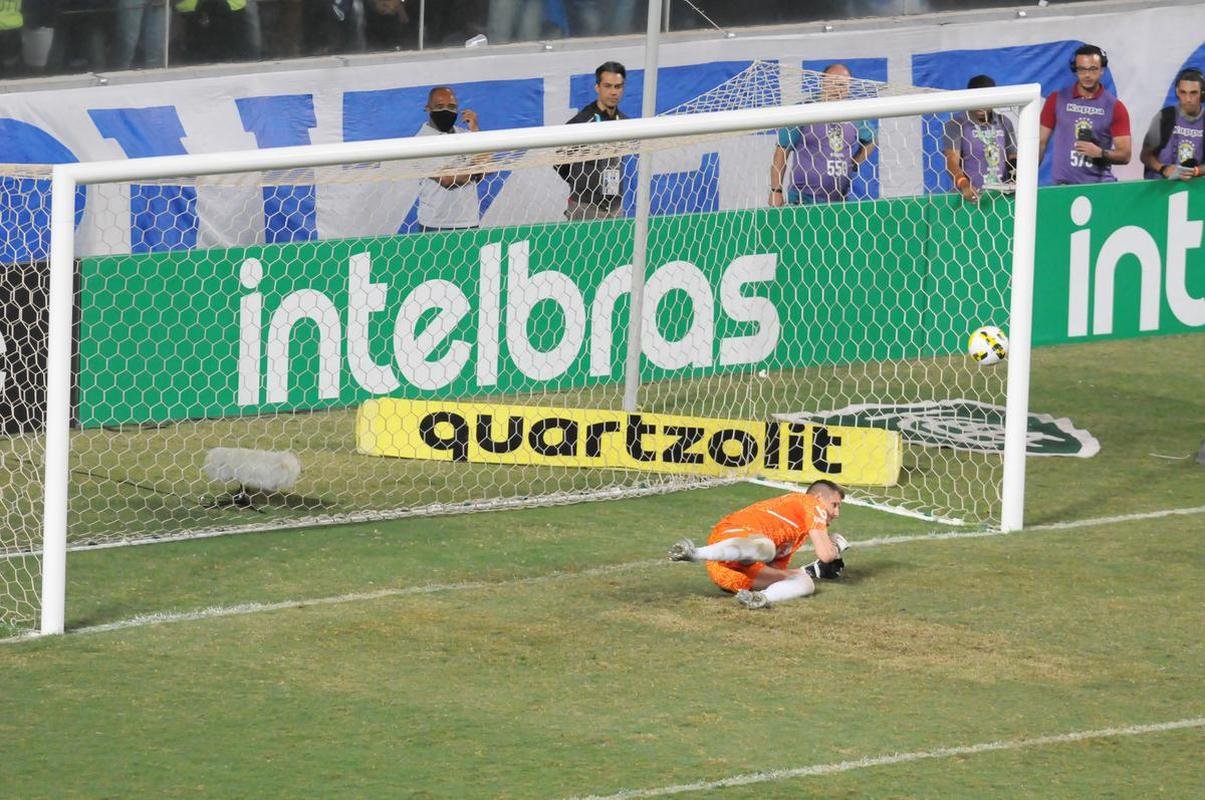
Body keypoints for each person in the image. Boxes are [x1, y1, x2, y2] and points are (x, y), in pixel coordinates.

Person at [667, 479, 850, 609]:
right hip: (730, 538)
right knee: (766, 547)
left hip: (731, 576)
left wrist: (807, 570)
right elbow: (826, 554)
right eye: (834, 504)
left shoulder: (796, 533)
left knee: (805, 582)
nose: (837, 513)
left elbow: (775, 568)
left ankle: (760, 598)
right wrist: (835, 546)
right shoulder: (811, 503)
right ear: (818, 498)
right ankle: (695, 553)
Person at [769, 63, 876, 206]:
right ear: (822, 82)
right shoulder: (803, 112)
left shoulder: (854, 115)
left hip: (839, 201)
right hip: (803, 201)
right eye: (832, 83)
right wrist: (776, 191)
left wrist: (855, 162)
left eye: (843, 85)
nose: (837, 89)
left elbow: (871, 140)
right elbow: (781, 151)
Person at [1038, 44, 1131, 184]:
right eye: (1082, 69)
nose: (1087, 75)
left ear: (1102, 70)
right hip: (1063, 188)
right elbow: (1040, 143)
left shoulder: (1115, 107)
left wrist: (1100, 153)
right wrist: (1023, 178)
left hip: (1099, 188)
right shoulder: (1056, 100)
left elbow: (1125, 155)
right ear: (1075, 71)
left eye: (1093, 69)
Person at [555, 60, 628, 221]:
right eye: (608, 86)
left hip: (615, 206)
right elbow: (558, 159)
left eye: (618, 87)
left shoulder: (624, 121)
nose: (613, 92)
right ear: (597, 87)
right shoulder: (583, 121)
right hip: (585, 206)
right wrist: (580, 183)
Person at [416, 86, 485, 232]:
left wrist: (475, 131)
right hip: (435, 225)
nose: (446, 111)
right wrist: (476, 168)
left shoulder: (465, 134)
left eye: (452, 107)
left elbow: (489, 163)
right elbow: (448, 180)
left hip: (469, 221)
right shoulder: (421, 141)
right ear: (428, 109)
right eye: (440, 106)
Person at [944, 74, 1018, 203]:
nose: (981, 104)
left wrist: (1016, 180)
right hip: (970, 197)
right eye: (977, 99)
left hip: (1000, 198)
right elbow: (952, 161)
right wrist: (964, 184)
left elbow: (1012, 157)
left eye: (985, 99)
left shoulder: (1004, 122)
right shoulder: (956, 124)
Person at [1140, 67, 1205, 181]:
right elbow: (1145, 155)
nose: (1188, 99)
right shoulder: (1163, 117)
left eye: (1193, 93)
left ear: (1202, 94)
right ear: (1177, 92)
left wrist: (1196, 171)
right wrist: (1163, 169)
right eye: (1183, 92)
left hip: (1193, 189)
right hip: (1160, 188)